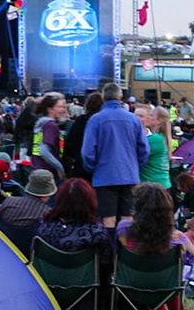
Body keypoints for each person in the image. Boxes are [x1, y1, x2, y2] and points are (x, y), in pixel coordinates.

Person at [80, 86, 149, 227]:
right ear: (121, 97)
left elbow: (87, 152)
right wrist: (135, 166)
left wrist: (94, 168)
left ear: (103, 98)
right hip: (129, 175)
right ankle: (125, 247)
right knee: (128, 217)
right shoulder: (133, 119)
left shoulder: (96, 120)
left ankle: (109, 247)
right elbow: (144, 149)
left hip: (105, 176)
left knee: (108, 218)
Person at [35, 177, 110, 255]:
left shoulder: (44, 227)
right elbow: (106, 260)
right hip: (85, 266)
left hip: (46, 266)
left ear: (59, 200)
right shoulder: (96, 233)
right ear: (90, 202)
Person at [138, 104, 172, 188]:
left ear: (159, 121)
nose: (148, 117)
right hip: (162, 183)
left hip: (152, 185)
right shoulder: (163, 137)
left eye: (151, 115)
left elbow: (136, 153)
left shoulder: (155, 139)